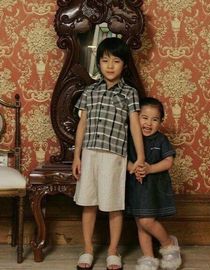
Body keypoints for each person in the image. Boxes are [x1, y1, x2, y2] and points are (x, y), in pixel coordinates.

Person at [72, 37, 145, 270]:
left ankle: (113, 251)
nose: (110, 66)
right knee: (88, 203)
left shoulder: (129, 93)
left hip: (115, 156)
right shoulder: (90, 92)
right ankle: (88, 249)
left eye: (116, 61)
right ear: (99, 63)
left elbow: (134, 126)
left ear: (124, 64)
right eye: (105, 61)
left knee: (114, 204)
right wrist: (77, 156)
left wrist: (140, 157)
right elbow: (82, 125)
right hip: (90, 154)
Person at [126, 97, 181, 270]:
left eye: (154, 119)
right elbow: (122, 159)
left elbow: (168, 162)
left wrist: (150, 169)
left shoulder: (161, 140)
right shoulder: (130, 139)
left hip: (153, 188)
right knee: (140, 223)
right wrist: (133, 168)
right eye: (144, 117)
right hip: (135, 187)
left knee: (146, 221)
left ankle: (168, 244)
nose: (148, 123)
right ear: (135, 118)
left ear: (161, 121)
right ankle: (148, 257)